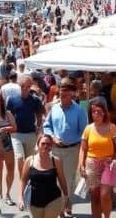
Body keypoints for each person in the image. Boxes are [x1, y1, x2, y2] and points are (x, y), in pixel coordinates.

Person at [42, 78, 88, 218]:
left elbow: (84, 132)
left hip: (71, 150)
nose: (62, 98)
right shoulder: (54, 108)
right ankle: (63, 207)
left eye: (65, 96)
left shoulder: (79, 110)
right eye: (60, 95)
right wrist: (52, 136)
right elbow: (46, 126)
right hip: (55, 149)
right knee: (56, 180)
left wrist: (77, 146)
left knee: (67, 180)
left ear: (72, 95)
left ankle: (61, 210)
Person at [78, 100, 116, 218]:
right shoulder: (88, 129)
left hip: (108, 163)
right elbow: (83, 149)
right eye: (93, 112)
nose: (96, 114)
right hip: (91, 164)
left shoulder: (111, 127)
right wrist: (81, 165)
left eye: (99, 111)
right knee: (95, 196)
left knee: (105, 195)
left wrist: (113, 160)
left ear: (104, 113)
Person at [7, 74, 45, 198]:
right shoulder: (12, 99)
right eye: (24, 86)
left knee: (30, 161)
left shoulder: (35, 100)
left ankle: (27, 182)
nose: (26, 89)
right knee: (19, 158)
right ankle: (23, 179)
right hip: (16, 134)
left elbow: (39, 114)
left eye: (28, 86)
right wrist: (10, 127)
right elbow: (8, 114)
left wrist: (38, 126)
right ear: (20, 86)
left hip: (30, 134)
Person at [18, 134, 69, 218]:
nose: (46, 146)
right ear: (38, 145)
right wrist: (20, 197)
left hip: (53, 200)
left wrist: (67, 197)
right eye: (43, 143)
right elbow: (23, 180)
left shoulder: (56, 161)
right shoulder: (29, 160)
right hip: (34, 202)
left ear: (51, 146)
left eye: (48, 144)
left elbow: (62, 180)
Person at [0, 91, 18, 204]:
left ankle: (7, 194)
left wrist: (6, 129)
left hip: (6, 142)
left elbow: (15, 127)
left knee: (10, 168)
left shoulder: (7, 113)